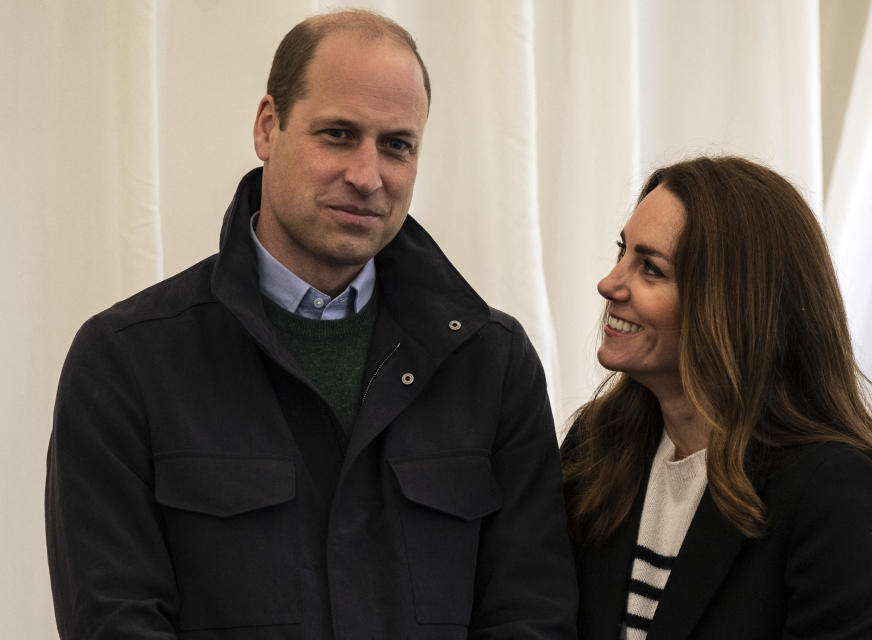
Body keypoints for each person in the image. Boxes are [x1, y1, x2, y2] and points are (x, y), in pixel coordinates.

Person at [45, 10, 577, 639]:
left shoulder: (491, 363)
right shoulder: (125, 362)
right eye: (338, 134)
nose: (367, 176)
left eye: (397, 145)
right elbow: (114, 622)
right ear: (269, 127)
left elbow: (532, 617)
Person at [561, 156, 872, 639]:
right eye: (621, 252)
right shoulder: (598, 443)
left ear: (730, 304)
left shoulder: (830, 493)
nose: (609, 283)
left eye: (649, 268)